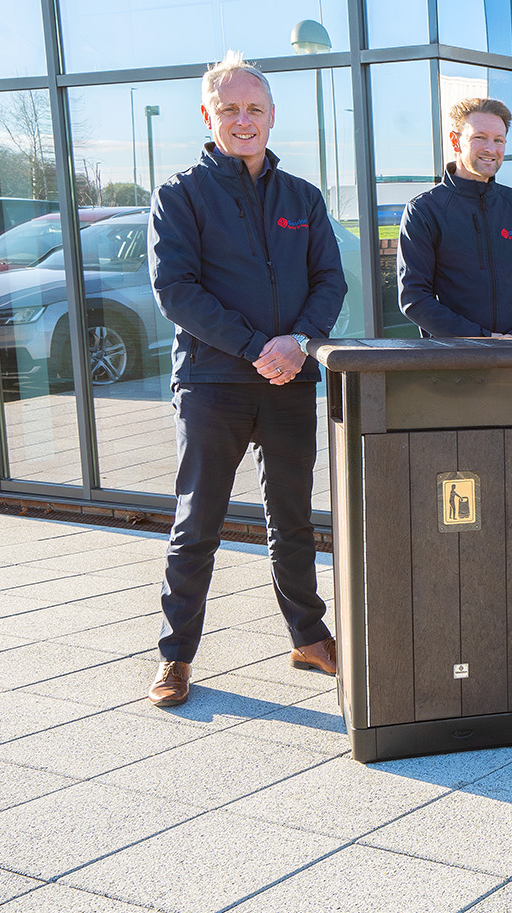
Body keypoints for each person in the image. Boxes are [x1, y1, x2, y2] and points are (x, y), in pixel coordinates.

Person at [146, 52, 346, 707]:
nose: (243, 119)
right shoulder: (181, 194)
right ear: (209, 115)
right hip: (212, 386)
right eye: (228, 108)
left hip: (290, 383)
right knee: (195, 525)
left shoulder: (302, 199)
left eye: (254, 108)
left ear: (271, 116)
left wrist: (297, 344)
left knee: (292, 520)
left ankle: (309, 637)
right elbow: (175, 289)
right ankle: (175, 658)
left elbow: (329, 282)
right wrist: (258, 345)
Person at [398, 97, 512, 338]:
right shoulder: (424, 210)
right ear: (455, 141)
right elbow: (413, 297)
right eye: (479, 137)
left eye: (499, 140)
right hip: (453, 361)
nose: (491, 149)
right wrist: (482, 339)